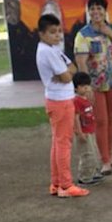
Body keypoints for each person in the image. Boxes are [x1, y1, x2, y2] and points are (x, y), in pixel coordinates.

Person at [74, 0, 112, 176]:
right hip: (94, 85)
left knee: (111, 119)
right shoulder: (83, 35)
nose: (96, 12)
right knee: (101, 121)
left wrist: (111, 33)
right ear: (88, 12)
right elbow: (81, 62)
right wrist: (86, 87)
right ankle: (105, 160)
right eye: (92, 9)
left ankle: (109, 155)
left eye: (99, 8)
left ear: (105, 11)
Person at [35, 14, 90, 198]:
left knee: (58, 142)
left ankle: (57, 182)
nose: (57, 36)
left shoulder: (52, 49)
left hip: (58, 99)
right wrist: (65, 73)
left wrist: (65, 73)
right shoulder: (48, 52)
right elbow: (68, 76)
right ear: (42, 34)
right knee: (63, 143)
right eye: (52, 32)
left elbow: (72, 69)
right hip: (60, 101)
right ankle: (65, 185)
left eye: (59, 31)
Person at [73, 71, 105, 186]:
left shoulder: (85, 99)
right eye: (83, 86)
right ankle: (84, 177)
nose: (86, 88)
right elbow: (75, 117)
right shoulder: (76, 101)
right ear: (76, 88)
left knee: (93, 152)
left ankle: (92, 173)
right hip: (84, 132)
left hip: (90, 131)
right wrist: (79, 132)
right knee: (87, 154)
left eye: (87, 86)